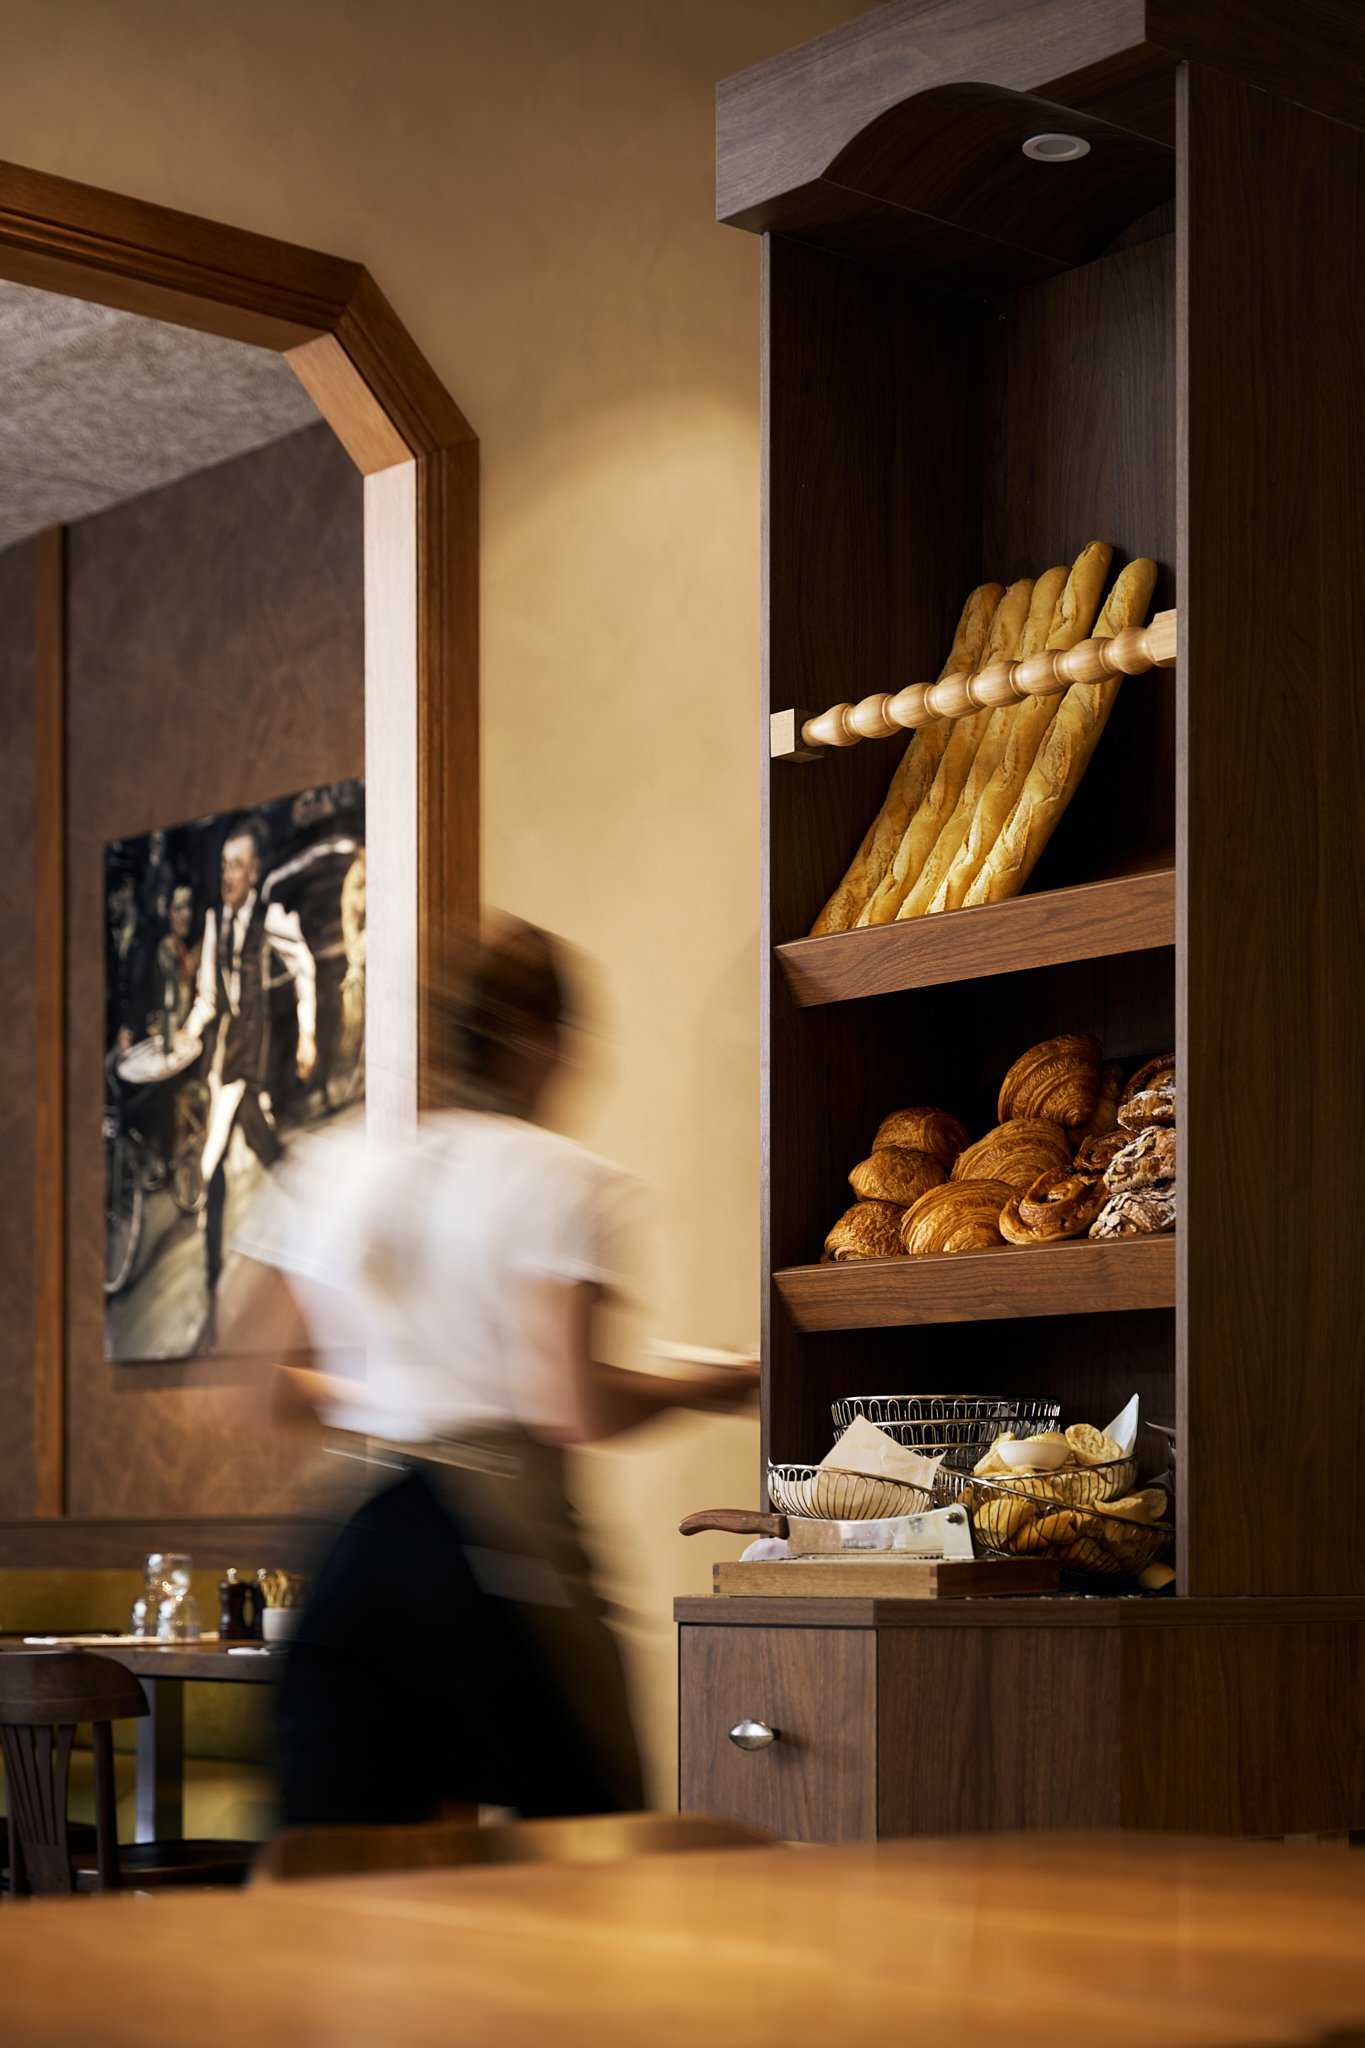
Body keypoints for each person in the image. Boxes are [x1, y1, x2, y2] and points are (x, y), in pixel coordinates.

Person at [244, 915, 757, 1825]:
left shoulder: (335, 1164)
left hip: (354, 1546)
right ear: (541, 1041)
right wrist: (721, 1383)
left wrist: (406, 1393)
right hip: (490, 1550)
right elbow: (574, 1407)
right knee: (592, 1839)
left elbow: (263, 1386)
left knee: (343, 1882)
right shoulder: (558, 1177)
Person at [179, 817, 317, 1313]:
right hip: (225, 1061)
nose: (227, 876)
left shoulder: (272, 916)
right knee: (268, 1151)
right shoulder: (216, 922)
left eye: (236, 867)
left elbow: (304, 966)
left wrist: (306, 1033)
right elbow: (208, 999)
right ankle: (314, 1210)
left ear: (253, 871)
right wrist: (188, 1033)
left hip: (252, 1061)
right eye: (223, 867)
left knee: (211, 1161)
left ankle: (214, 1280)